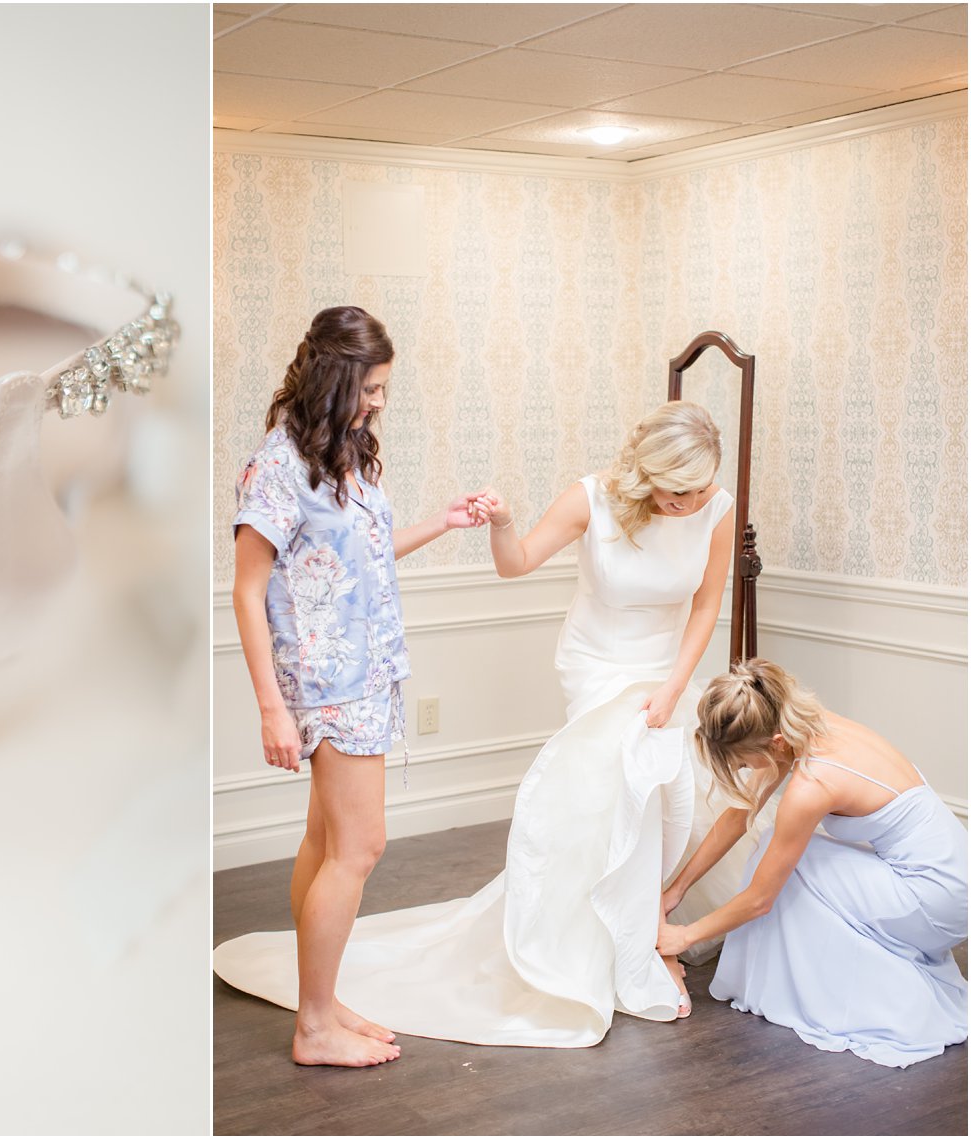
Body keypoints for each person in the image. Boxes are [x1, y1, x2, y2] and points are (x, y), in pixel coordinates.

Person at [216, 398, 743, 1048]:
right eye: (677, 490)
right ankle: (609, 947)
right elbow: (515, 561)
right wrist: (503, 522)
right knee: (608, 799)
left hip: (666, 669)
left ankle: (642, 935)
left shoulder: (714, 510)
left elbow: (707, 604)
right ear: (647, 471)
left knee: (665, 800)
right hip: (598, 666)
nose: (689, 502)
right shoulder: (592, 499)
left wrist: (671, 688)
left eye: (700, 489)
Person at [228, 306, 482, 1067]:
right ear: (335, 377)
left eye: (383, 388)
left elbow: (359, 556)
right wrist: (271, 705)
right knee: (360, 846)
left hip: (366, 672)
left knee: (326, 839)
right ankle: (313, 1027)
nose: (378, 401)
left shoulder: (348, 455)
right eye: (370, 387)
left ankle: (322, 1000)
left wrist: (442, 521)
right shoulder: (277, 466)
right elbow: (247, 588)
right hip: (325, 680)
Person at [658, 659, 969, 1067]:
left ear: (775, 744)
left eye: (747, 764)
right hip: (954, 875)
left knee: (780, 861)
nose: (747, 773)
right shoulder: (807, 722)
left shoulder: (814, 784)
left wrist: (684, 937)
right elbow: (738, 814)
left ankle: (816, 985)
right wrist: (676, 891)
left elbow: (759, 901)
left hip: (935, 900)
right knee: (777, 846)